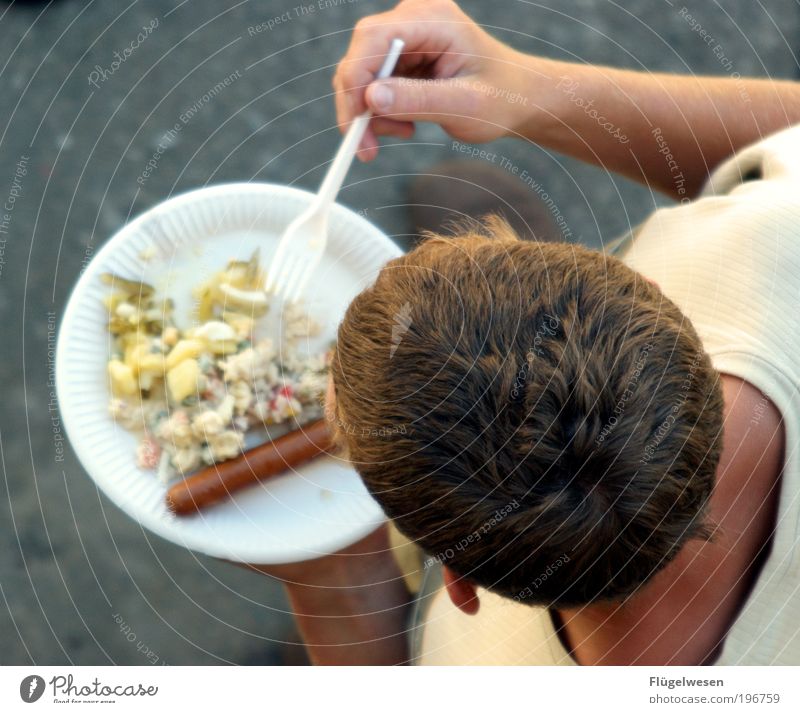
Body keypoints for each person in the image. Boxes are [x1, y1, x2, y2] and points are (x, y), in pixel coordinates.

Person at [247, 0, 800, 665]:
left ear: (455, 581)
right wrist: (530, 91)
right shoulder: (773, 239)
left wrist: (334, 585)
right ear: (657, 291)